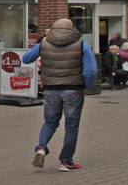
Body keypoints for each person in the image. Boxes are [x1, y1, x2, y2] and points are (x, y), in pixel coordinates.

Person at [23, 18, 97, 172]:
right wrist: (86, 85)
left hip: (51, 89)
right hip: (74, 89)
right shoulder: (82, 44)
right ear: (71, 29)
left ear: (54, 28)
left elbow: (27, 58)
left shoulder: (44, 43)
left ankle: (41, 148)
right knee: (71, 126)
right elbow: (91, 70)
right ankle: (66, 161)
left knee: (50, 122)